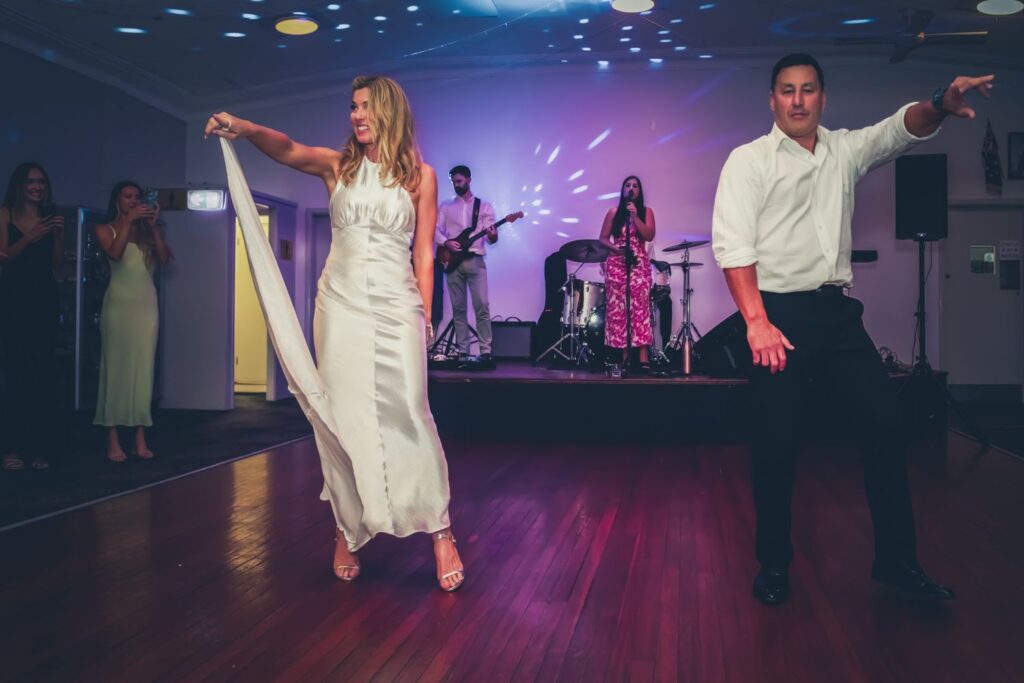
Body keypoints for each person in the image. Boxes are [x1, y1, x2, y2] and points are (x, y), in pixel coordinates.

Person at [712, 52, 993, 605]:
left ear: (822, 97)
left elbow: (896, 131)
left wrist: (938, 103)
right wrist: (757, 323)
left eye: (808, 89)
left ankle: (896, 563)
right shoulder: (747, 161)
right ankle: (773, 565)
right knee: (777, 445)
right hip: (777, 318)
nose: (797, 100)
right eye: (787, 90)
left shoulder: (842, 150)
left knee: (886, 431)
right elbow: (733, 247)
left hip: (837, 315)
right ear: (772, 101)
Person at [205, 75, 465, 592]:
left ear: (389, 111)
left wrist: (426, 313)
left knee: (410, 411)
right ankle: (347, 528)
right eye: (352, 106)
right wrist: (246, 127)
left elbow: (425, 253)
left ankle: (440, 530)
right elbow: (288, 149)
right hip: (340, 305)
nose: (356, 114)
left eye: (366, 106)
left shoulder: (422, 177)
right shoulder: (337, 165)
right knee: (342, 419)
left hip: (397, 305)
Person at [93, 181, 172, 462]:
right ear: (117, 200)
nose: (133, 201)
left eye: (137, 197)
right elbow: (114, 253)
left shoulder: (149, 231)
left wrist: (154, 227)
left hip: (146, 306)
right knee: (114, 368)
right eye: (127, 197)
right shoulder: (105, 228)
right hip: (118, 305)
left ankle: (140, 437)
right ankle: (112, 438)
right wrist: (127, 221)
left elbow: (164, 259)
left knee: (143, 369)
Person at [0, 162, 64, 471]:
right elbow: (5, 256)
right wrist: (31, 235)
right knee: (17, 372)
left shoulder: (49, 219)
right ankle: (13, 448)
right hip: (14, 300)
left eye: (41, 181)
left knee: (43, 373)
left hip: (44, 299)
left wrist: (58, 236)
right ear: (20, 185)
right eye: (31, 181)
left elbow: (55, 265)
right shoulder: (5, 214)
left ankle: (41, 447)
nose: (37, 186)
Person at [435, 165, 498, 368]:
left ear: (469, 179)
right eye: (454, 182)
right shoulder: (446, 206)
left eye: (460, 181)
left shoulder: (484, 206)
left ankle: (485, 352)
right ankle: (463, 352)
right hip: (452, 262)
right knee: (458, 309)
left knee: (482, 307)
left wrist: (492, 234)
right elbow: (435, 230)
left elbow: (493, 238)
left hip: (474, 260)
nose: (456, 185)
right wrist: (445, 242)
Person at [599, 176, 656, 370]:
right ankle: (623, 355)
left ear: (639, 191)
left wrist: (635, 217)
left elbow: (649, 235)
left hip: (638, 263)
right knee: (619, 311)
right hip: (617, 264)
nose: (631, 188)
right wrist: (616, 249)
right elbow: (603, 239)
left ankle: (643, 356)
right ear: (622, 190)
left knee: (640, 309)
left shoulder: (646, 212)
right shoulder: (613, 212)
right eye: (627, 185)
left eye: (635, 186)